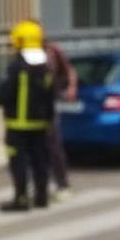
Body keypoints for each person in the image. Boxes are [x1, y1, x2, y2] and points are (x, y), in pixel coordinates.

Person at [0, 20, 57, 211]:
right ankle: (42, 197)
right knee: (40, 160)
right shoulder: (45, 66)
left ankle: (21, 199)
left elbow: (3, 95)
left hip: (17, 125)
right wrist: (49, 120)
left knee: (18, 162)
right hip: (40, 125)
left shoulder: (16, 67)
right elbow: (51, 96)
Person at [43, 33, 78, 201]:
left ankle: (62, 184)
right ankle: (42, 184)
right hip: (32, 108)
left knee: (53, 146)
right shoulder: (25, 53)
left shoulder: (52, 51)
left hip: (49, 104)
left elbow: (69, 69)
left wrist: (71, 87)